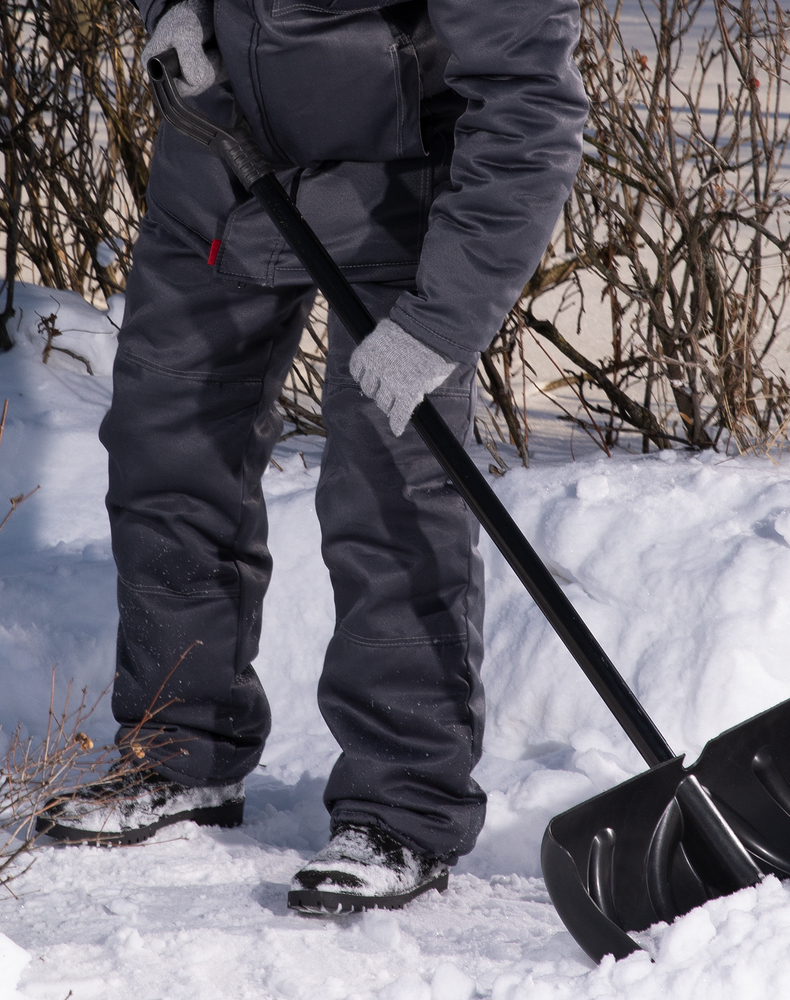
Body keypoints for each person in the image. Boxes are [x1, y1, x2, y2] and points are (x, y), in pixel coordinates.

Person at [38, 0, 587, 913]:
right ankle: (182, 748)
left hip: (401, 180)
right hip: (220, 146)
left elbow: (530, 102)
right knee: (165, 443)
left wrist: (439, 321)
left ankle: (403, 805)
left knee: (390, 486)